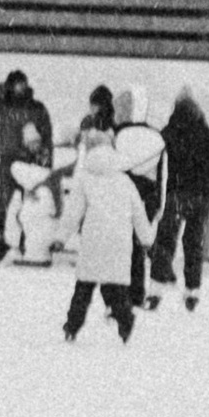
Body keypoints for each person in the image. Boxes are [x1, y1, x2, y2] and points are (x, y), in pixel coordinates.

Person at [61, 123, 143, 340]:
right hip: (119, 239)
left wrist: (60, 238)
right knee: (114, 285)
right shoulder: (124, 180)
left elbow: (73, 212)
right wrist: (147, 238)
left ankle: (72, 327)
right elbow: (138, 212)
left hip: (94, 238)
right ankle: (125, 320)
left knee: (84, 286)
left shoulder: (85, 178)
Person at [150, 90, 209, 308]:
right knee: (194, 245)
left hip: (176, 194)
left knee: (166, 242)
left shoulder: (169, 132)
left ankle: (155, 290)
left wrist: (154, 194)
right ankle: (192, 292)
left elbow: (154, 160)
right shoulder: (206, 133)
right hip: (201, 197)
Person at [0, 68, 56, 261]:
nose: (19, 88)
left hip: (29, 161)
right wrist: (3, 88)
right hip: (7, 160)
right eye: (15, 84)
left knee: (28, 204)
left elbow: (46, 134)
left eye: (22, 83)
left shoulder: (36, 107)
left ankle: (26, 243)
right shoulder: (4, 104)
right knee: (4, 202)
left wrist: (46, 160)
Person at [112, 88, 167, 311]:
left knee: (124, 246)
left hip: (125, 194)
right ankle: (142, 290)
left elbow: (115, 169)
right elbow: (164, 176)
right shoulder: (157, 138)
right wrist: (159, 204)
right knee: (140, 245)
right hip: (149, 196)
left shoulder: (120, 137)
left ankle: (123, 292)